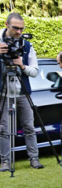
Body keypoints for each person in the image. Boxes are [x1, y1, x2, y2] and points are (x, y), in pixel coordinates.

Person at [0, 13, 43, 171]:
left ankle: (34, 159)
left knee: (29, 127)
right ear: (6, 24)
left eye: (21, 28)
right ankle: (5, 161)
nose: (19, 31)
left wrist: (22, 66)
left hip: (22, 92)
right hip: (3, 92)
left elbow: (35, 71)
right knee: (3, 128)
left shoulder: (27, 45)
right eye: (15, 28)